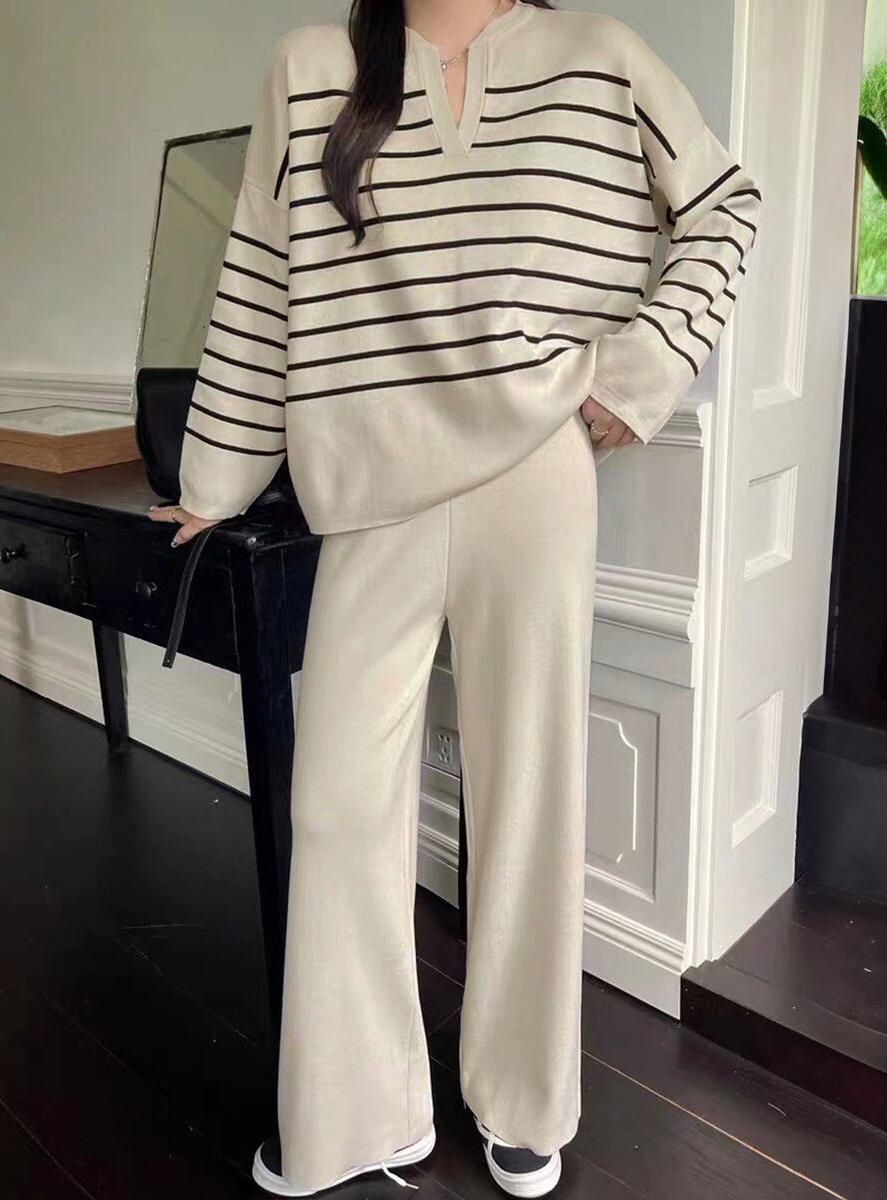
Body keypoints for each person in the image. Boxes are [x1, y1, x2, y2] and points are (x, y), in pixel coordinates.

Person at [148, 0, 762, 1194]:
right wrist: (213, 479)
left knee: (529, 794)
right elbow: (261, 274)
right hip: (368, 489)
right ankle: (359, 1112)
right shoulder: (313, 67)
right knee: (337, 805)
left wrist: (636, 373)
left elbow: (723, 205)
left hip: (534, 472)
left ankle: (524, 1099)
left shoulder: (597, 55)